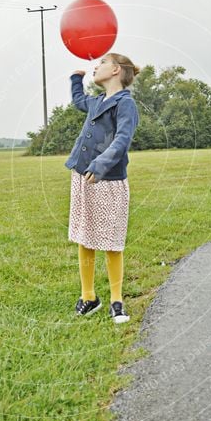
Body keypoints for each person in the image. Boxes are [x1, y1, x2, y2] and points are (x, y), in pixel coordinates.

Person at [64, 53, 141, 324]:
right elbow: (78, 100)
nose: (95, 67)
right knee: (86, 236)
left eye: (102, 64)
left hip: (108, 179)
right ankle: (89, 297)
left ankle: (116, 302)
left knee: (111, 241)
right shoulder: (96, 102)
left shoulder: (126, 104)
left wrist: (101, 164)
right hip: (83, 175)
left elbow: (122, 139)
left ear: (116, 70)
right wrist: (76, 78)